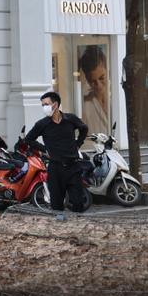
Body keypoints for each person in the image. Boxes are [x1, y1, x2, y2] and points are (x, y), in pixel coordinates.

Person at [24, 91, 88, 220]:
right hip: (55, 167)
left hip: (73, 166)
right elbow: (29, 139)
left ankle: (79, 225)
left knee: (78, 201)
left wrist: (78, 143)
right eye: (42, 105)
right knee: (57, 203)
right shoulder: (42, 124)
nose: (44, 108)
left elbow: (84, 128)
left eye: (46, 104)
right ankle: (60, 228)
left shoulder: (70, 119)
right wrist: (44, 149)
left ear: (56, 104)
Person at [78, 45, 111, 137]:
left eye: (101, 78)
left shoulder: (118, 97)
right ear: (87, 79)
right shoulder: (85, 105)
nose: (98, 85)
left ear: (108, 70)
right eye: (92, 81)